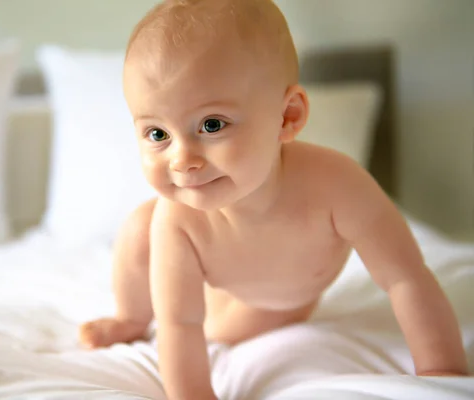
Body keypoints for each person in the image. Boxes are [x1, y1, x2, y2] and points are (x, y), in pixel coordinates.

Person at [79, 0, 469, 398]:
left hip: (278, 299)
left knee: (224, 329)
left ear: (288, 118)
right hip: (211, 268)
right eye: (157, 134)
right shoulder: (175, 219)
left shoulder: (339, 187)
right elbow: (178, 322)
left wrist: (443, 371)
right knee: (138, 227)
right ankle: (129, 316)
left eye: (211, 125)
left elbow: (406, 278)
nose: (182, 160)